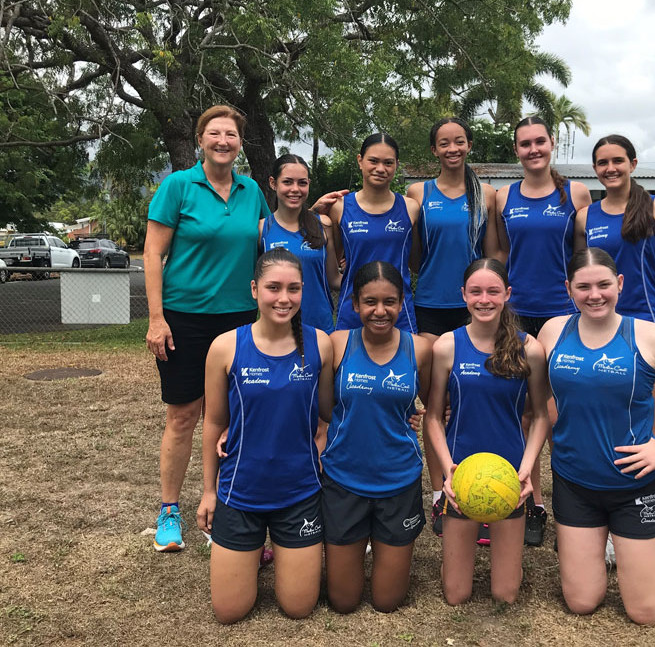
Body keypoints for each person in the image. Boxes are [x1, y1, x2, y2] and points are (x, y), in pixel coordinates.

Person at [537, 247, 655, 625]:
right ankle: (609, 549)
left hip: (635, 486)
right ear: (568, 289)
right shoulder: (553, 332)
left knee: (645, 611)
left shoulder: (650, 337)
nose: (595, 295)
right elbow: (534, 395)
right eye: (584, 286)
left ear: (620, 284)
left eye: (604, 284)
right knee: (582, 602)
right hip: (574, 484)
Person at [143, 104, 270, 552]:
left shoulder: (251, 189)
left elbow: (269, 235)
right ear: (201, 140)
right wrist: (157, 319)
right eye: (214, 133)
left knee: (235, 420)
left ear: (239, 143)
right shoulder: (178, 186)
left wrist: (313, 211)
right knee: (182, 416)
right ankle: (169, 513)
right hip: (184, 318)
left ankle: (227, 510)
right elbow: (152, 254)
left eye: (231, 135)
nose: (223, 141)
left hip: (238, 320)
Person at [195, 248, 334, 623]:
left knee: (299, 607)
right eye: (274, 288)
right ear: (255, 289)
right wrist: (209, 491)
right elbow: (213, 424)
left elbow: (327, 414)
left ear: (304, 291)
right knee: (229, 612)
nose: (284, 298)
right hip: (241, 492)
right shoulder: (225, 347)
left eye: (294, 288)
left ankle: (276, 553)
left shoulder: (320, 344)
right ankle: (249, 552)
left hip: (299, 493)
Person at [575, 134, 655, 563]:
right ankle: (604, 525)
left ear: (633, 163)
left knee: (653, 435)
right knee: (606, 429)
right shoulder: (586, 216)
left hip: (649, 331)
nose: (610, 169)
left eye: (617, 161)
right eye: (602, 163)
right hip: (603, 330)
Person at [424, 258, 549, 605]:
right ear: (463, 295)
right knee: (455, 595)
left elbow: (540, 416)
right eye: (475, 291)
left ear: (507, 294)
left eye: (493, 291)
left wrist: (526, 470)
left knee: (504, 595)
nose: (484, 299)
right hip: (462, 478)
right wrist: (448, 469)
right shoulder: (446, 346)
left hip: (509, 479)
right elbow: (433, 417)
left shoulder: (530, 349)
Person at [492, 115, 592, 546]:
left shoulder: (576, 193)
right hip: (515, 315)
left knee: (557, 412)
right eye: (524, 144)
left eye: (540, 142)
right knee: (521, 413)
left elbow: (583, 255)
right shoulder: (502, 196)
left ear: (552, 144)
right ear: (515, 150)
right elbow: (497, 253)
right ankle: (528, 503)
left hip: (559, 316)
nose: (533, 149)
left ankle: (572, 502)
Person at [406, 118, 502, 536]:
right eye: (444, 142)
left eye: (459, 141)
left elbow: (494, 250)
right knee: (435, 406)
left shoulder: (487, 195)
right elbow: (410, 250)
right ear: (434, 150)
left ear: (468, 145)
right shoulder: (417, 193)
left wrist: (489, 291)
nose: (452, 148)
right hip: (430, 304)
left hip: (475, 308)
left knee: (475, 402)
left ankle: (483, 488)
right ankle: (441, 495)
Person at [321, 261, 431, 613]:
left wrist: (422, 412)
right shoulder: (337, 344)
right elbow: (324, 409)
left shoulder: (420, 349)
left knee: (386, 602)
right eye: (370, 302)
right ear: (354, 304)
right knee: (343, 601)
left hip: (398, 481)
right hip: (343, 479)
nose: (380, 311)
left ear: (402, 303)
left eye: (390, 302)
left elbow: (432, 402)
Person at [313, 134, 421, 333]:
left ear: (397, 164)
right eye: (373, 161)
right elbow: (331, 260)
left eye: (388, 162)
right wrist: (311, 213)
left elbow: (416, 263)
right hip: (352, 310)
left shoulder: (410, 208)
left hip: (398, 311)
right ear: (360, 161)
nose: (380, 169)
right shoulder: (340, 207)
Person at [260, 154, 341, 332]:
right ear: (273, 183)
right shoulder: (261, 230)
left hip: (321, 329)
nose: (295, 189)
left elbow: (334, 279)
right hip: (278, 331)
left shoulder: (323, 225)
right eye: (287, 182)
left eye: (302, 183)